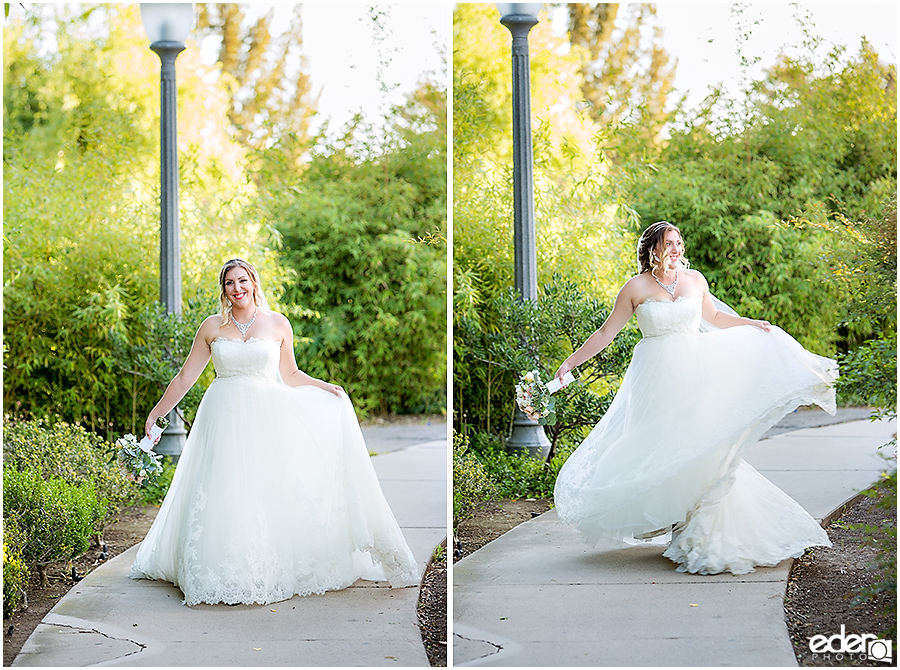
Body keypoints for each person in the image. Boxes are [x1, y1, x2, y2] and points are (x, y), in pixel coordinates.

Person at [551, 221, 837, 575]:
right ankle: (676, 524)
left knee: (700, 447)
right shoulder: (635, 287)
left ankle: (695, 527)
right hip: (655, 379)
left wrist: (750, 323)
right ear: (652, 249)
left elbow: (714, 317)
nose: (676, 249)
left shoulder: (695, 280)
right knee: (664, 447)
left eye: (678, 242)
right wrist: (570, 362)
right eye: (668, 243)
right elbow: (606, 333)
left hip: (696, 375)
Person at [130, 259, 418, 605]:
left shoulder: (278, 323)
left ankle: (265, 566)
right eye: (229, 283)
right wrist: (157, 413)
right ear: (223, 290)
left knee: (265, 492)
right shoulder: (211, 327)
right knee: (223, 488)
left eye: (242, 281)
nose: (236, 289)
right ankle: (218, 566)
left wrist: (325, 387)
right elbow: (185, 378)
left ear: (253, 282)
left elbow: (292, 374)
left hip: (266, 419)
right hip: (222, 416)